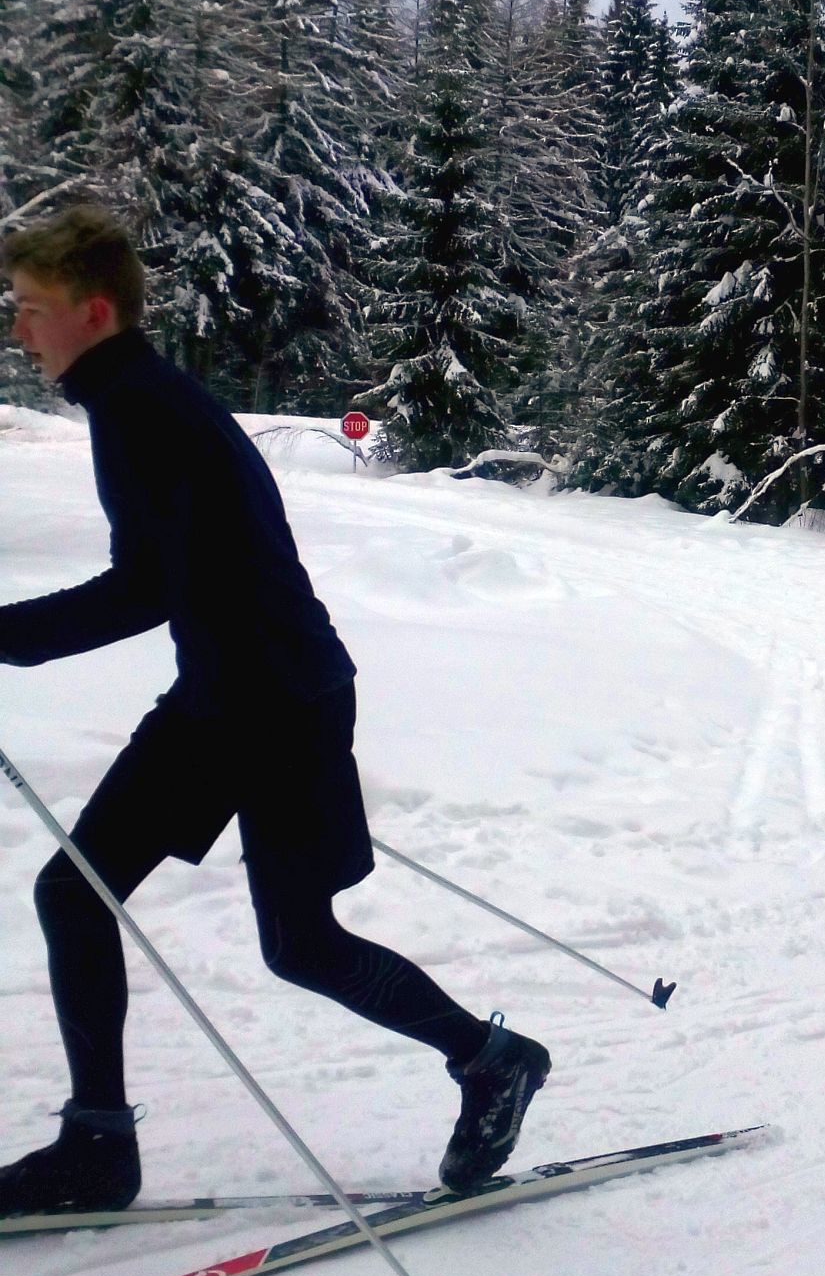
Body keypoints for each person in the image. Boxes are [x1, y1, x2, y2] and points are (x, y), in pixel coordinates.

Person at [0, 205, 549, 1215]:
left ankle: (490, 1059)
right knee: (81, 894)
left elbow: (143, 587)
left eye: (31, 307)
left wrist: (8, 636)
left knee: (290, 942)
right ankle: (96, 1145)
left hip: (279, 703)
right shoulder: (132, 397)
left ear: (93, 311)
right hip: (235, 695)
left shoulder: (142, 408)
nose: (18, 327)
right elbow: (172, 578)